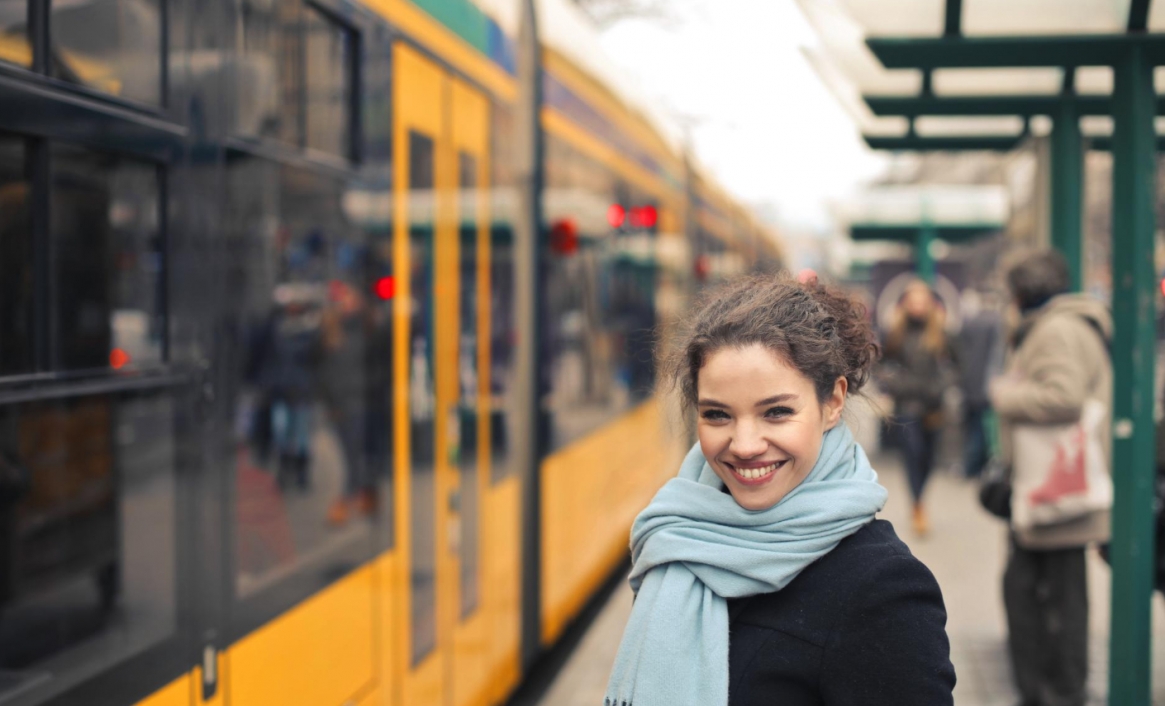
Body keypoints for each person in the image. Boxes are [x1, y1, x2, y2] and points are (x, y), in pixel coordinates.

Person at [604, 274, 955, 706]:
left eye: (776, 412)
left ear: (833, 402)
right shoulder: (675, 538)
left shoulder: (884, 589)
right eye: (717, 415)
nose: (745, 445)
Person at [989, 250, 1111, 706]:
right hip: (1058, 485)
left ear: (1021, 292)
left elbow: (1064, 397)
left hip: (1056, 488)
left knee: (1044, 596)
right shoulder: (1067, 322)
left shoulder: (1056, 329)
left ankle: (1056, 689)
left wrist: (1006, 394)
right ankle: (1056, 685)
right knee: (1053, 593)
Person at [877, 278, 953, 536]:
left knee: (929, 459)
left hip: (933, 405)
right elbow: (880, 365)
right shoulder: (895, 332)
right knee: (913, 454)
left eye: (922, 301)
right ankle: (918, 504)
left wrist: (942, 386)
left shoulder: (941, 332)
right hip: (907, 405)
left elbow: (957, 366)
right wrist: (895, 384)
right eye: (913, 301)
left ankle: (920, 499)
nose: (918, 306)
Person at [957, 288, 1004, 479]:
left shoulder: (969, 323)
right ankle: (975, 466)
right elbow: (996, 357)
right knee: (983, 429)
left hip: (970, 384)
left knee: (973, 428)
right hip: (986, 386)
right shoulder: (997, 323)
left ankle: (971, 466)